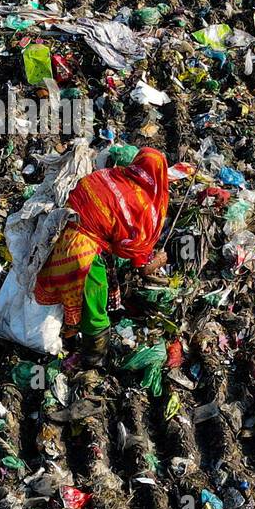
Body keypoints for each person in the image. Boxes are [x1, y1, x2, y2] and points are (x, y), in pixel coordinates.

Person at [34, 147, 170, 363]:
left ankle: (68, 339)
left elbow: (79, 194)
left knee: (71, 298)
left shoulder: (107, 176)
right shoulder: (142, 204)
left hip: (58, 235)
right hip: (83, 253)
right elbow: (139, 258)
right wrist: (156, 260)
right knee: (94, 308)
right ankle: (93, 359)